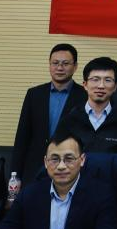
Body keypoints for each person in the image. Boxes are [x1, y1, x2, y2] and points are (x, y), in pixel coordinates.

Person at [0, 134, 115, 229]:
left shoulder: (100, 194)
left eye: (69, 159)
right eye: (54, 159)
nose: (61, 166)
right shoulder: (30, 194)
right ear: (45, 162)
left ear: (82, 160)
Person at [12, 43, 87, 179]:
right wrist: (15, 176)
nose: (59, 68)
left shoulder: (85, 96)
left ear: (75, 66)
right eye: (55, 63)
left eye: (65, 63)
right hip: (34, 168)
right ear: (49, 65)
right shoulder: (34, 94)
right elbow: (22, 137)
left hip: (68, 169)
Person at [56, 57, 117, 154]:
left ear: (115, 87)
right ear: (85, 84)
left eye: (108, 80)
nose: (101, 86)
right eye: (95, 79)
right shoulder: (70, 120)